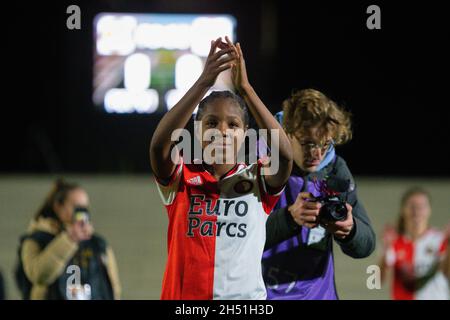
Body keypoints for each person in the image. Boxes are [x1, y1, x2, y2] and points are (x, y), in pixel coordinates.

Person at [150, 37, 293, 299]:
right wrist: (203, 83)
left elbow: (285, 157)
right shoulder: (181, 176)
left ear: (245, 132)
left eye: (233, 125)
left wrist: (246, 89)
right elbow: (159, 147)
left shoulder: (257, 177)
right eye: (212, 123)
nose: (222, 132)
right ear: (197, 129)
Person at [262, 88, 376, 299]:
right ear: (286, 131)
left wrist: (350, 231)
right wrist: (289, 219)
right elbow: (236, 237)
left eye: (325, 144)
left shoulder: (334, 168)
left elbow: (367, 245)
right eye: (308, 144)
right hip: (263, 296)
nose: (317, 154)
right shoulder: (258, 159)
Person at [16, 179, 121, 300]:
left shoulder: (97, 244)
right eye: (77, 207)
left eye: (85, 208)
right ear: (58, 207)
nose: (82, 213)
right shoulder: (37, 240)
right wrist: (69, 240)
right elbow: (39, 275)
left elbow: (113, 287)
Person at [379, 187, 449, 300]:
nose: (417, 210)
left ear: (429, 210)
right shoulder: (394, 241)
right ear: (403, 209)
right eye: (412, 205)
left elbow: (447, 274)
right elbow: (376, 282)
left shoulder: (440, 239)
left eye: (422, 206)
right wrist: (385, 250)